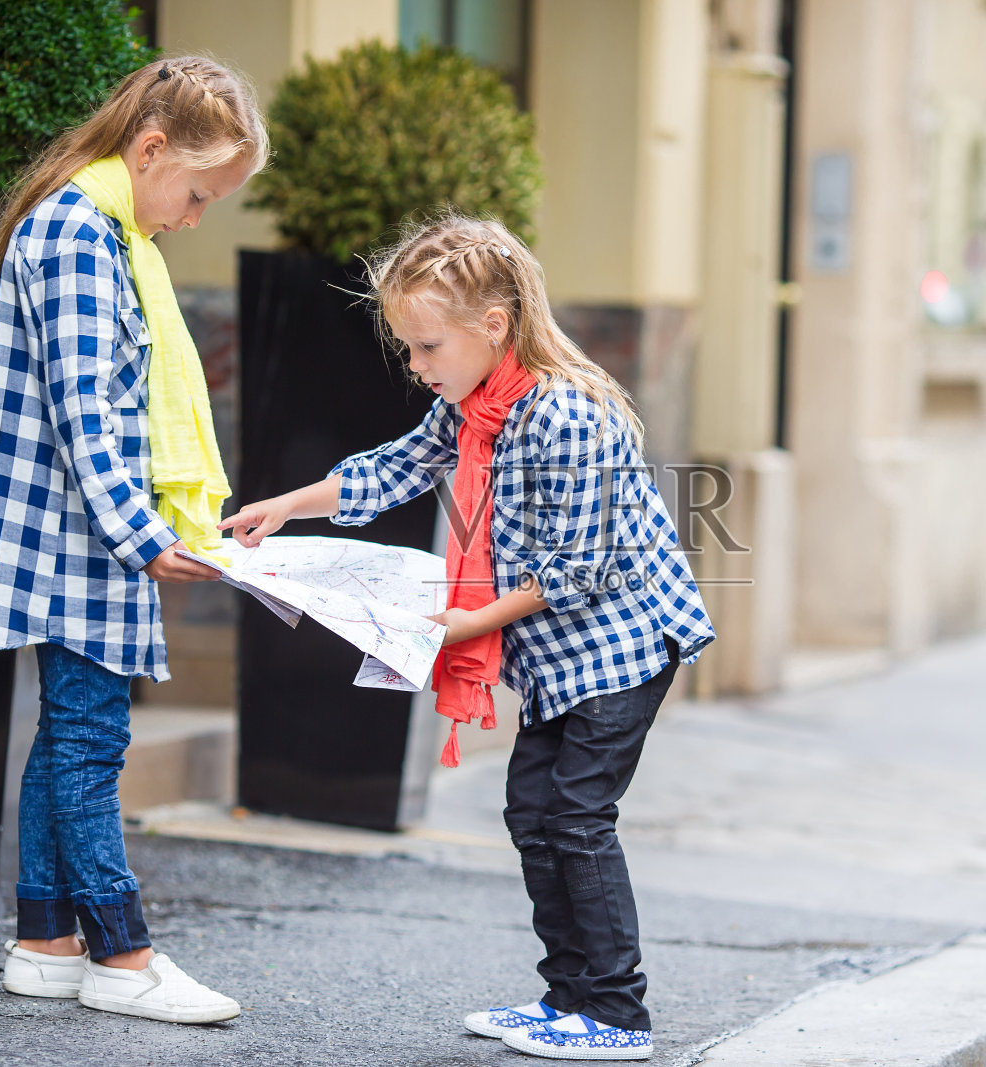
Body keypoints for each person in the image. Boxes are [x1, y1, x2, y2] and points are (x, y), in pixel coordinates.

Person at [219, 213, 716, 1059]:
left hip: (623, 643)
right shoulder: (476, 407)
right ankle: (569, 998)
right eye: (409, 349)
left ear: (495, 327)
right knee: (534, 811)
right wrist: (285, 505)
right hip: (562, 654)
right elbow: (391, 467)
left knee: (577, 814)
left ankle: (617, 1014)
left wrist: (469, 621)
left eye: (425, 347)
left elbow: (579, 565)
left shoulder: (568, 414)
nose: (416, 368)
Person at [0, 55, 267, 1025]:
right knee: (91, 737)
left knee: (70, 731)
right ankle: (122, 951)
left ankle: (44, 937)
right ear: (150, 149)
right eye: (196, 193)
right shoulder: (77, 231)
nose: (192, 218)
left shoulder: (96, 227)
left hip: (74, 529)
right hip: (77, 534)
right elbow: (85, 415)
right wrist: (143, 534)